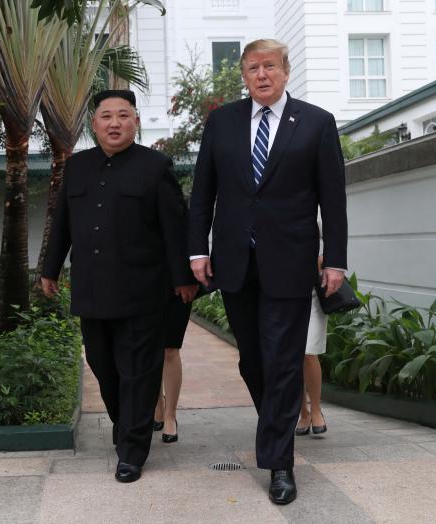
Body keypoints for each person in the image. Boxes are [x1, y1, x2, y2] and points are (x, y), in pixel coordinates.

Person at [188, 39, 347, 505]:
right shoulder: (222, 122)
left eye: (270, 66)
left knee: (282, 360)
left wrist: (334, 258)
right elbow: (203, 193)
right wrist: (198, 251)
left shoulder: (316, 123)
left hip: (292, 262)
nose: (262, 74)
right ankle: (276, 426)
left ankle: (280, 462)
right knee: (252, 359)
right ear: (243, 75)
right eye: (253, 67)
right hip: (235, 262)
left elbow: (332, 198)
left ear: (285, 71)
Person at [41, 90, 197, 483]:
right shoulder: (77, 167)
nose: (114, 123)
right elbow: (61, 221)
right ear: (94, 125)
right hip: (92, 288)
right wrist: (50, 268)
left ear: (135, 122)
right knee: (103, 365)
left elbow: (175, 226)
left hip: (144, 289)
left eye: (123, 115)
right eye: (106, 116)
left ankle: (131, 450)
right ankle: (126, 423)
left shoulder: (156, 166)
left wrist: (183, 278)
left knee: (139, 372)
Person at [296, 255, 328, 436]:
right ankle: (303, 414)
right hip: (283, 290)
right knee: (293, 355)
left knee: (308, 351)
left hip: (313, 291)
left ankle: (316, 409)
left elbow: (333, 237)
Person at [153, 295, 192, 443]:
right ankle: (158, 407)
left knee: (170, 347)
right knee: (150, 349)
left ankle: (170, 415)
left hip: (176, 283)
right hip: (143, 281)